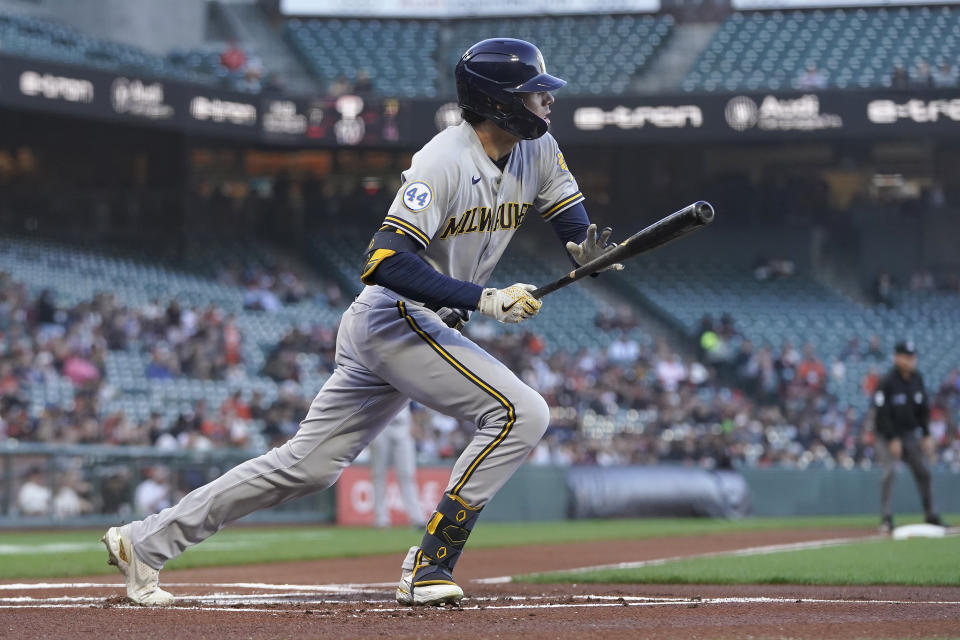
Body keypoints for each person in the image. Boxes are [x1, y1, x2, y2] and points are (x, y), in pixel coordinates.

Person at [101, 37, 621, 607]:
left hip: (416, 325)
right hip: (397, 318)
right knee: (522, 411)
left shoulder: (538, 151)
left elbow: (572, 222)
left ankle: (144, 542)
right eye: (534, 93)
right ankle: (430, 564)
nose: (547, 102)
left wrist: (583, 250)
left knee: (307, 467)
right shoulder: (443, 159)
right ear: (499, 102)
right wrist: (485, 299)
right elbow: (383, 260)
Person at [872, 341, 944, 533]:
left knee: (924, 472)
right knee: (890, 472)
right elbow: (882, 414)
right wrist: (893, 438)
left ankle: (931, 515)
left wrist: (927, 434)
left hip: (910, 434)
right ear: (897, 357)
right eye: (907, 356)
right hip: (886, 435)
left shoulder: (917, 379)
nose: (911, 360)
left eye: (913, 357)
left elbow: (923, 410)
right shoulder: (887, 381)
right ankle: (886, 518)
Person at [369, 403, 426, 528]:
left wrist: (415, 424)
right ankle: (381, 519)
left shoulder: (409, 382)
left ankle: (417, 518)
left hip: (403, 426)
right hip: (381, 425)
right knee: (378, 474)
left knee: (407, 474)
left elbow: (415, 405)